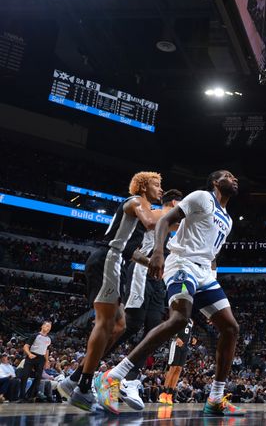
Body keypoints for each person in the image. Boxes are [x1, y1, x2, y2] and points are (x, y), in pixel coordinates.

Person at [97, 170, 244, 416]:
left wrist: (211, 277)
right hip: (182, 263)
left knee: (231, 328)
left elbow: (211, 252)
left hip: (204, 273)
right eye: (229, 176)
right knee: (179, 318)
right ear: (216, 182)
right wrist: (157, 253)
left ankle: (216, 399)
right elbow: (165, 221)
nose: (234, 178)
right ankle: (113, 376)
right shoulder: (201, 197)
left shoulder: (227, 219)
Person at [59, 188, 182, 411]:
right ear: (174, 203)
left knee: (154, 327)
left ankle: (90, 376)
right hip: (137, 274)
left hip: (155, 278)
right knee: (130, 326)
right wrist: (149, 262)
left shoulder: (170, 223)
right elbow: (132, 250)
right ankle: (109, 378)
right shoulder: (152, 214)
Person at [159, 319, 194, 405]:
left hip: (185, 346)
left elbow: (188, 332)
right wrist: (176, 337)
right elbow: (170, 330)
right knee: (173, 368)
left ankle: (170, 395)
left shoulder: (191, 321)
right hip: (176, 344)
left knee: (178, 369)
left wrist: (192, 338)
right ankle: (163, 394)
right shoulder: (178, 316)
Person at [18, 321, 51, 402]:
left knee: (38, 378)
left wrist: (47, 361)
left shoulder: (49, 339)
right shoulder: (35, 335)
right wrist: (29, 354)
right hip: (32, 355)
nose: (48, 328)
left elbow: (47, 351)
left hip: (41, 358)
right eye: (47, 326)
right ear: (42, 326)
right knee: (25, 375)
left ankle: (29, 396)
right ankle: (22, 397)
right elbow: (26, 346)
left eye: (50, 327)